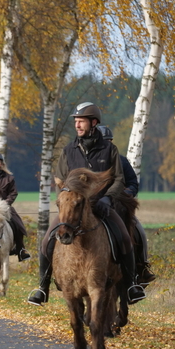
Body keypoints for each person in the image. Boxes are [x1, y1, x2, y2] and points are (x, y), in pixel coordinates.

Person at [27, 102, 146, 307]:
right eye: (76, 121)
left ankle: (131, 285)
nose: (77, 125)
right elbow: (60, 181)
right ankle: (42, 286)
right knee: (47, 239)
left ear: (93, 123)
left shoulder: (109, 150)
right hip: (73, 209)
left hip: (102, 207)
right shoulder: (68, 151)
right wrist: (65, 203)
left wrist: (108, 199)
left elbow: (119, 179)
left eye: (81, 121)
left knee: (125, 238)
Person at [97, 125, 156, 285]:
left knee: (139, 231)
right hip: (93, 207)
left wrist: (124, 195)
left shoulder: (121, 161)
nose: (106, 144)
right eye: (103, 141)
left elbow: (132, 184)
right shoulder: (89, 161)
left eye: (109, 141)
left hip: (117, 207)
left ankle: (142, 268)